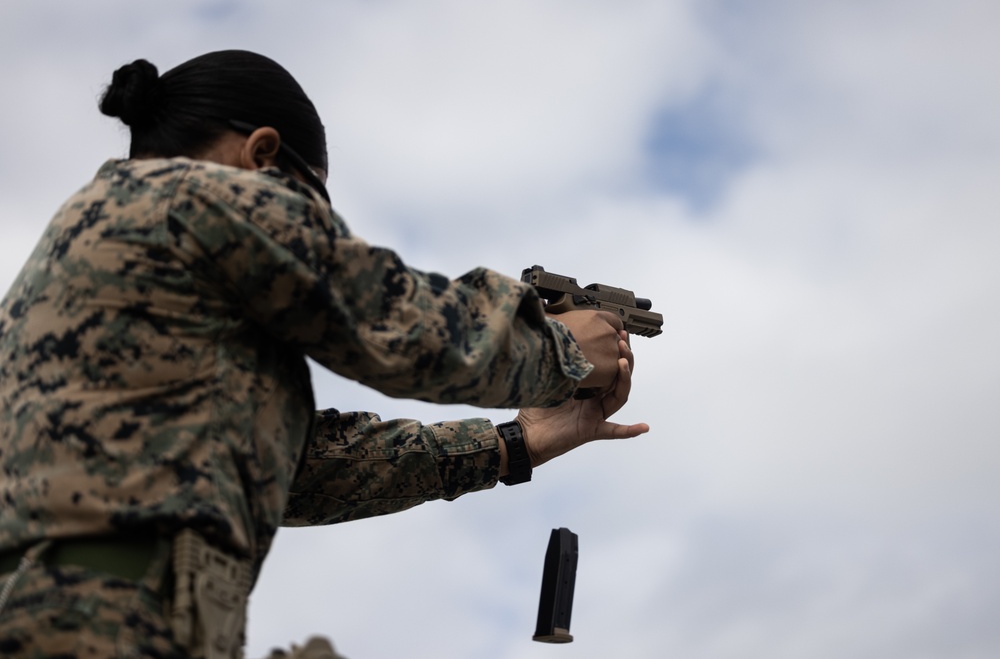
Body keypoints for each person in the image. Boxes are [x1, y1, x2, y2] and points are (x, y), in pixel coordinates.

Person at [0, 50, 649, 659]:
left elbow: (301, 470)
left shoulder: (99, 245)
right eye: (309, 209)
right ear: (261, 154)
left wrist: (514, 442)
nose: (309, 231)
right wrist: (566, 348)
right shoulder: (197, 199)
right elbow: (411, 329)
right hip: (102, 618)